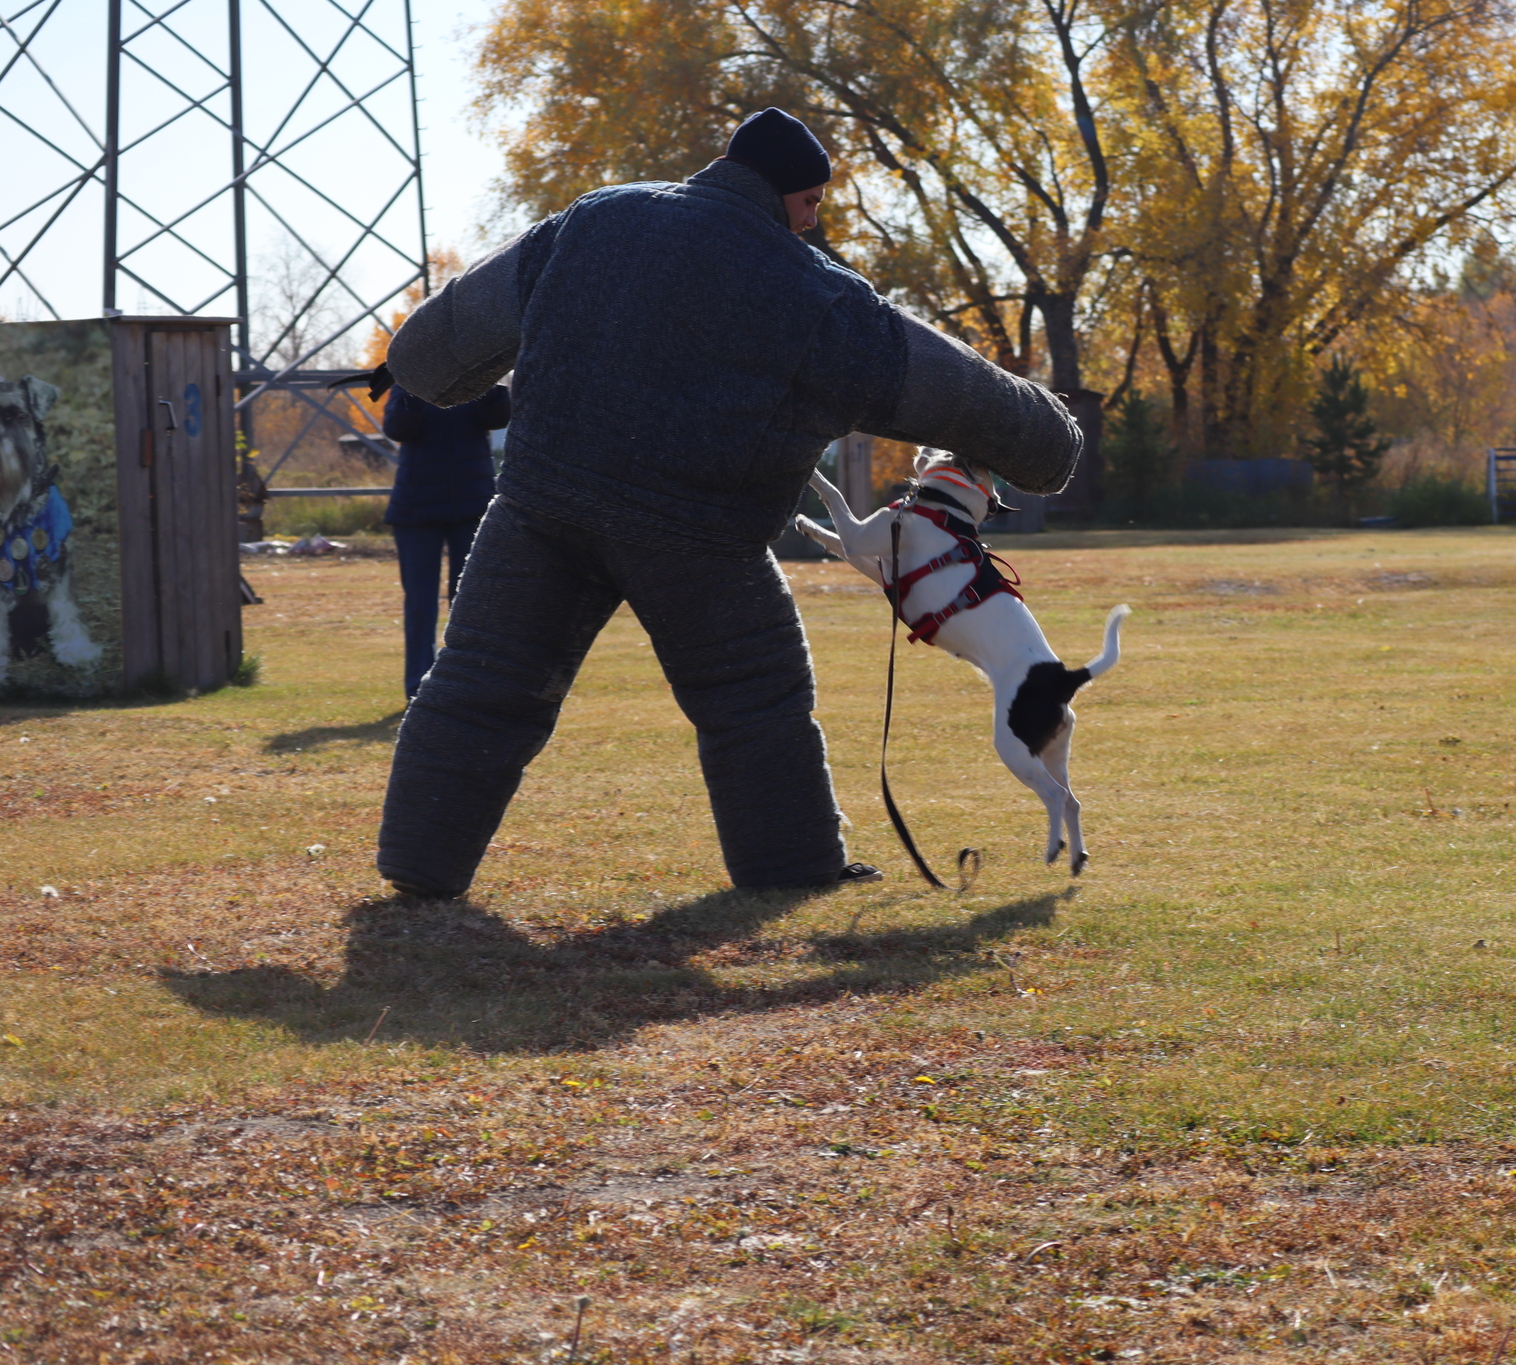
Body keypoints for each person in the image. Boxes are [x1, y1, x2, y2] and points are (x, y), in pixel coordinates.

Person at [373, 107, 1081, 897]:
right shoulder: (815, 294)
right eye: (811, 202)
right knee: (755, 698)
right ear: (782, 192)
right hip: (700, 538)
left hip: (539, 510)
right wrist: (1051, 444)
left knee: (479, 683)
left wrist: (435, 370)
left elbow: (426, 357)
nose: (813, 222)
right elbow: (951, 386)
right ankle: (791, 869)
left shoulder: (595, 220)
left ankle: (417, 866)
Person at [380, 381, 510, 700]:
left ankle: (465, 683)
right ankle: (419, 688)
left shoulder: (477, 377)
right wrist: (414, 392)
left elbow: (500, 417)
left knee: (469, 601)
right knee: (420, 603)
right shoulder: (409, 380)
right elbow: (396, 427)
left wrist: (492, 386)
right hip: (417, 508)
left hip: (470, 505)